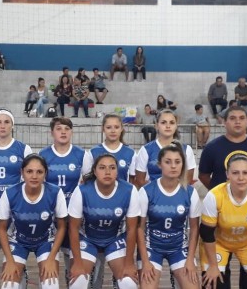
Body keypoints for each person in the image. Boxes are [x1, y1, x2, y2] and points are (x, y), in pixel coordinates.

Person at [200, 152, 247, 289]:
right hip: (218, 243)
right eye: (235, 173)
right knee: (213, 284)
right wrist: (213, 266)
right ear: (227, 174)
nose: (241, 178)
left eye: (245, 173)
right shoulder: (214, 196)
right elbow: (206, 233)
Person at [0, 154, 68, 289]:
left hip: (46, 240)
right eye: (29, 171)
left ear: (45, 173)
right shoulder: (10, 193)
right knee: (8, 284)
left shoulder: (55, 192)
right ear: (22, 173)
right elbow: (1, 228)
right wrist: (10, 260)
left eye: (39, 172)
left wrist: (51, 258)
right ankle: (21, 274)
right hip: (18, 241)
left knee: (50, 284)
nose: (34, 176)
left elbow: (62, 227)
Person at [68, 154, 140, 289]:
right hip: (87, 238)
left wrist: (129, 263)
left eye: (112, 168)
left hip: (115, 238)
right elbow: (73, 228)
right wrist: (77, 262)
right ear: (94, 171)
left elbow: (132, 229)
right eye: (102, 168)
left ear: (117, 171)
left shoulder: (129, 191)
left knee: (129, 283)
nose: (107, 172)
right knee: (78, 283)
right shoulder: (82, 191)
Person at [137, 143, 201, 289]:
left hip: (179, 247)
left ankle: (178, 270)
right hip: (151, 247)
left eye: (177, 162)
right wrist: (145, 262)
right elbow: (139, 228)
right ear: (160, 165)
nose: (173, 166)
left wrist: (190, 259)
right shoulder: (146, 191)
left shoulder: (190, 192)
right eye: (168, 162)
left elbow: (194, 228)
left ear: (183, 165)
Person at [39, 117, 93, 281]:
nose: (63, 131)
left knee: (75, 266)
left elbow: (88, 185)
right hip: (51, 216)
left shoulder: (82, 154)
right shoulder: (43, 155)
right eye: (59, 128)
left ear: (72, 132)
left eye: (67, 128)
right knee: (50, 262)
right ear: (51, 132)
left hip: (74, 216)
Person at [199, 106, 247, 190]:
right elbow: (203, 176)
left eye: (241, 118)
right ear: (225, 122)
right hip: (221, 202)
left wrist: (246, 189)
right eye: (232, 118)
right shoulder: (211, 148)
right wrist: (220, 192)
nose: (237, 122)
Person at [135, 109, 197, 188]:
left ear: (176, 126)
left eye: (172, 122)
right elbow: (140, 180)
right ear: (156, 126)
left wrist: (173, 194)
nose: (168, 126)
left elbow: (188, 179)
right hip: (153, 197)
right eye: (163, 122)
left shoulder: (187, 149)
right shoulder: (146, 150)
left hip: (178, 197)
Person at [90, 113, 137, 183]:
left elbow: (132, 180)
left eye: (116, 127)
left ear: (121, 129)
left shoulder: (131, 153)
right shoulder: (93, 152)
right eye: (109, 127)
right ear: (103, 129)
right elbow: (88, 179)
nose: (113, 131)